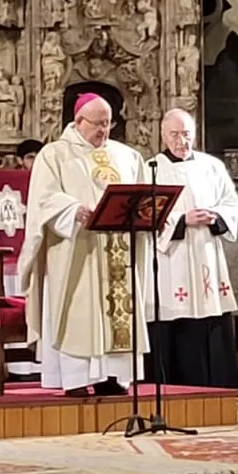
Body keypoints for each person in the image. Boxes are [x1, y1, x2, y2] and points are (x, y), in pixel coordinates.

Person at [21, 94, 147, 397]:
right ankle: (75, 379)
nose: (104, 130)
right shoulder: (54, 155)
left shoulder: (127, 156)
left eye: (108, 124)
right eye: (98, 124)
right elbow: (43, 199)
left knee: (118, 310)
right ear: (78, 121)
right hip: (77, 249)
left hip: (118, 251)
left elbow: (141, 195)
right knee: (79, 312)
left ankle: (114, 376)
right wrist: (73, 209)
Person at [147, 109, 238, 389]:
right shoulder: (152, 168)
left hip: (205, 252)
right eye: (175, 135)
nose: (181, 141)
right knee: (174, 317)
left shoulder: (211, 166)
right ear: (163, 136)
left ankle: (217, 384)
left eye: (186, 134)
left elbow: (230, 203)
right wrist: (180, 220)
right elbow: (145, 214)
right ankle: (173, 385)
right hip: (172, 257)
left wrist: (216, 216)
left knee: (210, 315)